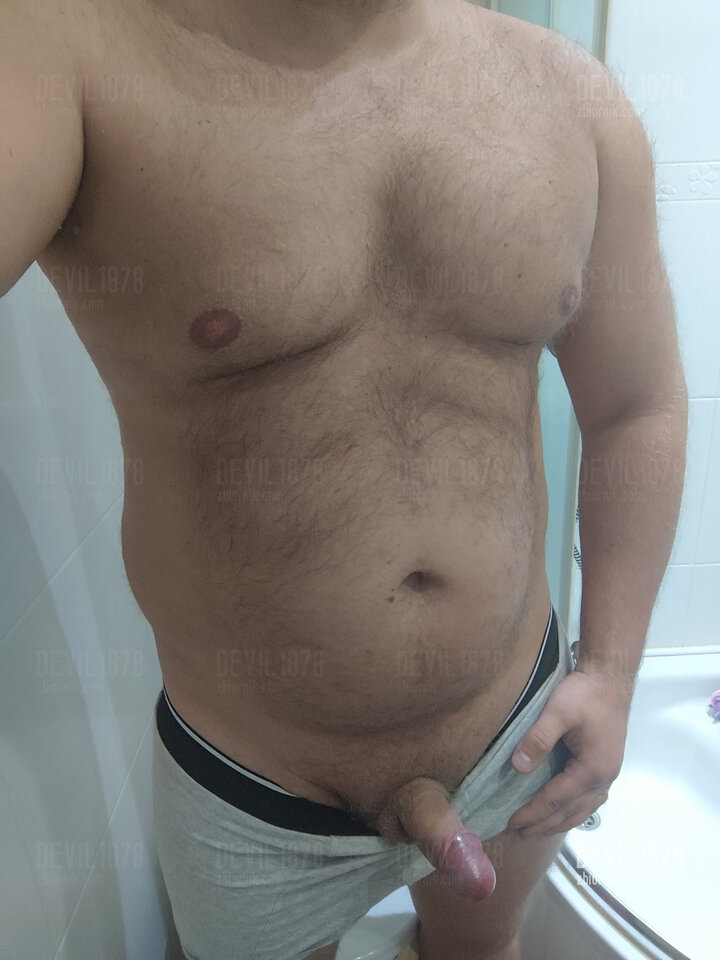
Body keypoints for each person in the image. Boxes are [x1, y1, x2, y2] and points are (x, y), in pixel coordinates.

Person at [1, 0, 688, 957]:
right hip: (253, 786)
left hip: (515, 733)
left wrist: (610, 673)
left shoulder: (573, 99)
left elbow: (638, 407)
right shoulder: (69, 52)